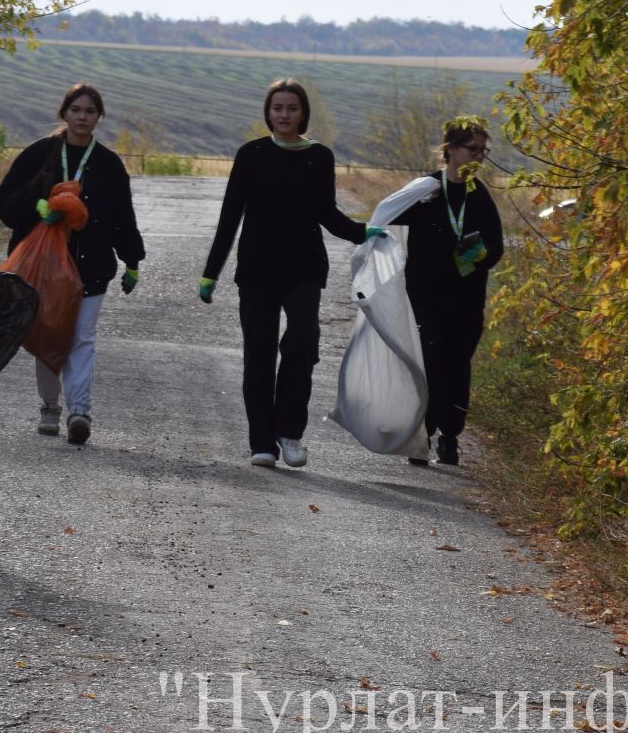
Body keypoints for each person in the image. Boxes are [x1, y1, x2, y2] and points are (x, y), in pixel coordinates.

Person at [200, 79, 379, 469]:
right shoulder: (251, 155)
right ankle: (261, 442)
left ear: (303, 113)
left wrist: (362, 232)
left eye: (291, 108)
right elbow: (231, 216)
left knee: (302, 345)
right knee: (259, 356)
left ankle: (289, 432)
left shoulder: (320, 156)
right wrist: (211, 272)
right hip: (258, 269)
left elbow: (326, 213)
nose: (284, 115)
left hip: (305, 267)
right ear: (268, 112)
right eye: (277, 108)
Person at [0, 83, 146, 446]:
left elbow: (122, 216)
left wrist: (132, 260)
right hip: (42, 266)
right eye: (76, 110)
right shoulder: (39, 155)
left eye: (89, 111)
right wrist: (37, 205)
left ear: (98, 117)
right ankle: (50, 405)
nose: (82, 117)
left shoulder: (108, 164)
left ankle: (79, 411)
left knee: (82, 339)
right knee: (48, 332)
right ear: (64, 112)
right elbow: (5, 203)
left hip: (91, 265)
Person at [385, 115, 504, 466]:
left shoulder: (479, 197)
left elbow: (496, 248)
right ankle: (421, 434)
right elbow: (387, 215)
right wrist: (417, 203)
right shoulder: (426, 188)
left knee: (456, 366)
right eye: (472, 150)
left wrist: (472, 253)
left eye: (483, 152)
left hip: (466, 301)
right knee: (428, 362)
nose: (478, 158)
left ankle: (450, 438)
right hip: (424, 295)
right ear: (449, 149)